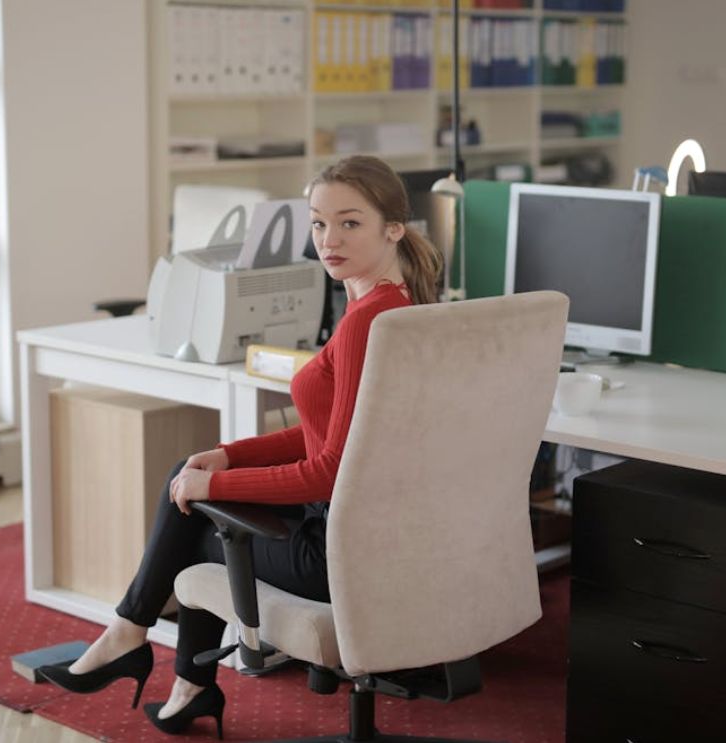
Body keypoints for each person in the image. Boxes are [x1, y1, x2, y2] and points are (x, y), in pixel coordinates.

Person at [38, 155, 445, 737]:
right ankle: (174, 676)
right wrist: (228, 457)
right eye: (318, 224)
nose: (329, 240)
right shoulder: (388, 304)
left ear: (394, 229)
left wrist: (217, 485)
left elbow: (328, 471)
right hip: (376, 529)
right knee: (191, 472)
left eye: (350, 224)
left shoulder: (367, 323)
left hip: (341, 552)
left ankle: (141, 645)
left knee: (202, 536)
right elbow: (327, 432)